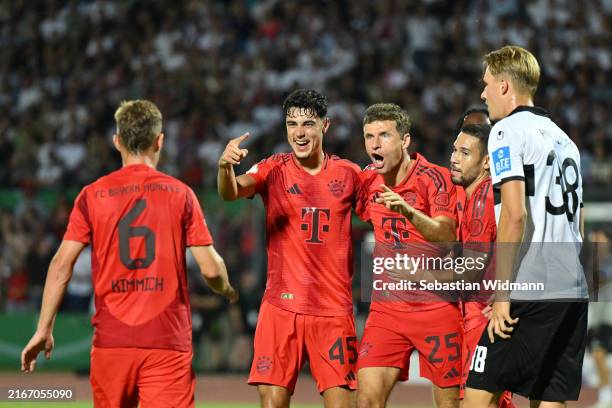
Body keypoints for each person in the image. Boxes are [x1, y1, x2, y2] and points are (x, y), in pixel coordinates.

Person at [21, 100, 238, 408]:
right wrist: (226, 289)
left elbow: (61, 264)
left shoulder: (91, 195)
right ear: (159, 140)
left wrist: (44, 328)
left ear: (117, 141)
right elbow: (211, 270)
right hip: (166, 340)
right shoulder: (181, 194)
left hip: (112, 342)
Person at [217, 89, 363, 407]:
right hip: (281, 309)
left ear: (325, 126)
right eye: (291, 124)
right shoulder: (273, 169)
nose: (299, 132)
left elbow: (381, 214)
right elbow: (230, 193)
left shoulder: (350, 174)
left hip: (333, 312)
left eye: (308, 124)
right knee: (272, 404)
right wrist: (225, 167)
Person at [464, 45, 587, 407]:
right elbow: (577, 218)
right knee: (549, 397)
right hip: (573, 287)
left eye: (486, 84)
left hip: (534, 285)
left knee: (477, 393)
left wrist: (503, 293)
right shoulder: (566, 141)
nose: (483, 93)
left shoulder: (506, 132)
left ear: (504, 85)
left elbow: (515, 215)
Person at [356, 103, 462, 408]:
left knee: (450, 405)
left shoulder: (435, 178)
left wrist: (407, 210)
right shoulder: (367, 181)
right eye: (369, 136)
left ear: (405, 141)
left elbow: (446, 234)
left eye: (384, 135)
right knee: (366, 402)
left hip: (437, 308)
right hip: (387, 310)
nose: (375, 144)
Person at [449, 122, 515, 408]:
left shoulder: (483, 198)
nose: (454, 158)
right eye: (454, 150)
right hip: (479, 314)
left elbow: (472, 269)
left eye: (464, 153)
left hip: (483, 318)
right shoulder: (475, 196)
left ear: (487, 162)